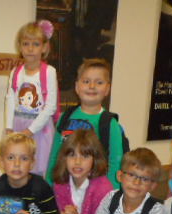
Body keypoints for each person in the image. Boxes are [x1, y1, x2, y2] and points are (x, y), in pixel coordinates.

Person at [46, 58, 125, 188]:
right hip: (65, 189)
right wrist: (49, 186)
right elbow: (55, 155)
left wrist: (110, 195)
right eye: (86, 81)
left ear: (107, 89)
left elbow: (115, 163)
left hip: (95, 191)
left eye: (99, 82)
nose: (92, 86)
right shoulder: (65, 117)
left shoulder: (110, 124)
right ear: (77, 87)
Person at [6, 20, 58, 176]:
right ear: (20, 46)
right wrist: (9, 127)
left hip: (40, 127)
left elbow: (50, 106)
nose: (30, 48)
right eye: (26, 44)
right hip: (18, 125)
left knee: (38, 167)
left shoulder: (49, 71)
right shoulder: (16, 72)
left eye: (35, 44)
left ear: (44, 47)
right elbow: (10, 99)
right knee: (18, 165)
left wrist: (30, 130)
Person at [52, 129, 113, 214]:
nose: (77, 162)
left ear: (95, 159)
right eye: (72, 155)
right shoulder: (60, 183)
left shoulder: (103, 188)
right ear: (64, 158)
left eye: (85, 156)